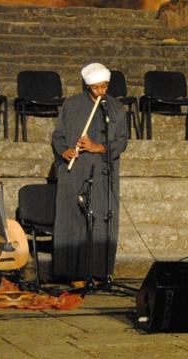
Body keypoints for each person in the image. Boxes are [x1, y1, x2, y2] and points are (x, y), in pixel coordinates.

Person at [51, 63, 129, 283]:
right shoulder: (71, 105)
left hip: (104, 172)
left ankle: (98, 273)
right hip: (75, 171)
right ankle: (73, 273)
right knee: (74, 219)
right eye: (96, 88)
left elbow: (122, 140)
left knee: (102, 220)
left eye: (105, 86)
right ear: (87, 87)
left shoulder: (115, 108)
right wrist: (64, 151)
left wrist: (100, 147)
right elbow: (58, 136)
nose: (101, 91)